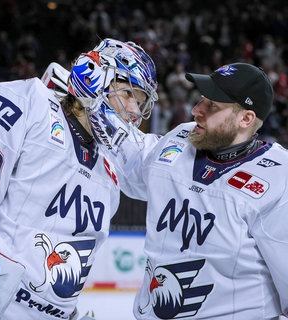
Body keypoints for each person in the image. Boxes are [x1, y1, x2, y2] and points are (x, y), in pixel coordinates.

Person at [0, 38, 158, 320]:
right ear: (96, 74)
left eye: (140, 103)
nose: (134, 112)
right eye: (129, 94)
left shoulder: (110, 171)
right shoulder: (23, 102)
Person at [84, 62, 288, 319]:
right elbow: (135, 165)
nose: (196, 110)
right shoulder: (182, 138)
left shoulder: (279, 178)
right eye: (201, 99)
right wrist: (91, 105)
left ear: (246, 119)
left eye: (212, 105)